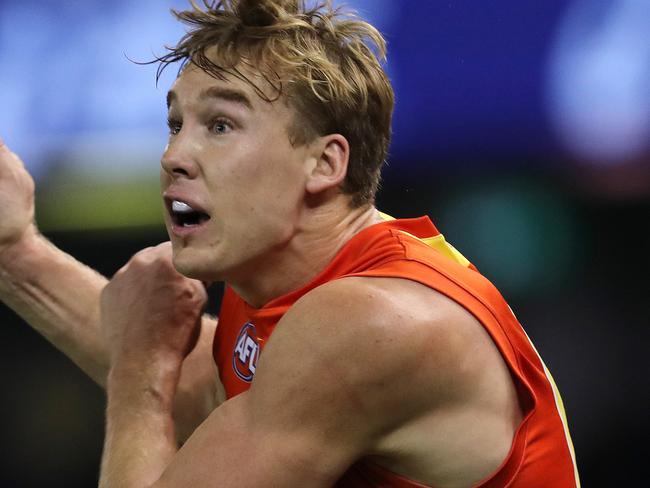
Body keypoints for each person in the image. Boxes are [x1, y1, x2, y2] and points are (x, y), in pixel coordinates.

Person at [0, 1, 580, 486]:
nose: (173, 156)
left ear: (324, 162)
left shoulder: (368, 321)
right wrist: (16, 252)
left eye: (220, 126)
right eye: (176, 124)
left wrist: (137, 372)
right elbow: (207, 386)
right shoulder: (302, 291)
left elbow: (156, 365)